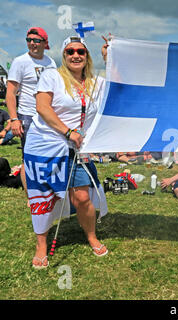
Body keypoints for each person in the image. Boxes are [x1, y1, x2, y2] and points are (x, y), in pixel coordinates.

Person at [24, 36, 108, 269]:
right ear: (64, 55)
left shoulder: (95, 82)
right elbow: (42, 107)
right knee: (43, 197)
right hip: (45, 146)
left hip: (76, 148)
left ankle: (91, 236)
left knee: (82, 196)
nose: (75, 55)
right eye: (70, 51)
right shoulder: (52, 76)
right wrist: (67, 131)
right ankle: (41, 245)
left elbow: (121, 88)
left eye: (80, 51)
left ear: (87, 55)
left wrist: (109, 58)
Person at [6, 27, 56, 204]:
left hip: (47, 115)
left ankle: (47, 190)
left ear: (45, 42)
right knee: (29, 157)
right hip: (27, 115)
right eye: (29, 40)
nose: (32, 43)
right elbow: (11, 93)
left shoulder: (50, 62)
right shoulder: (20, 61)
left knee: (49, 155)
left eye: (36, 40)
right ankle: (32, 197)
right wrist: (14, 119)